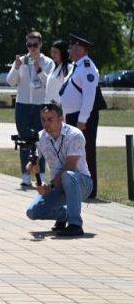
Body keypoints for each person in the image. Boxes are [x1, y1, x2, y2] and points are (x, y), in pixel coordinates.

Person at [24, 103, 93, 236]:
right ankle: (64, 215)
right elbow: (32, 162)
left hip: (82, 183)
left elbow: (70, 166)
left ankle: (75, 225)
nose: (46, 123)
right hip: (57, 186)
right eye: (43, 119)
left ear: (61, 118)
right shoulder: (41, 137)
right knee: (32, 212)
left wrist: (49, 186)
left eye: (50, 119)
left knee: (67, 175)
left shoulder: (75, 135)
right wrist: (31, 168)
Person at [59, 34, 104, 199]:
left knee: (86, 152)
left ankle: (90, 191)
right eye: (71, 47)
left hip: (83, 118)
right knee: (74, 152)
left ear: (81, 50)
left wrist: (82, 120)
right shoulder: (76, 66)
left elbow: (89, 97)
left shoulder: (87, 68)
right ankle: (78, 188)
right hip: (72, 116)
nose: (71, 50)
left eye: (74, 48)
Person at [7, 32, 54, 188]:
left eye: (35, 45)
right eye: (29, 45)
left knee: (41, 140)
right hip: (23, 104)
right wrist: (16, 68)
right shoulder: (21, 61)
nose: (32, 48)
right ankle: (25, 175)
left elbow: (50, 84)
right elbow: (11, 82)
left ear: (40, 44)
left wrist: (39, 70)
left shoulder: (48, 62)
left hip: (41, 105)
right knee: (25, 140)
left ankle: (40, 174)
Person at [45, 40, 70, 106]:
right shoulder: (53, 67)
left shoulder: (68, 67)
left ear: (62, 52)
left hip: (60, 108)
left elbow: (69, 90)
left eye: (55, 52)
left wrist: (60, 104)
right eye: (52, 52)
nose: (52, 54)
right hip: (49, 105)